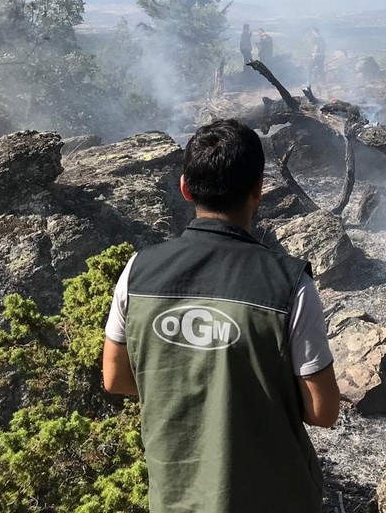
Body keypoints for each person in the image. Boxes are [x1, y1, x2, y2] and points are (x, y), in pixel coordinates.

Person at [102, 118, 339, 513]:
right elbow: (323, 411)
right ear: (258, 190)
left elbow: (115, 378)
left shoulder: (137, 271)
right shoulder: (290, 284)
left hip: (177, 496)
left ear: (184, 188)